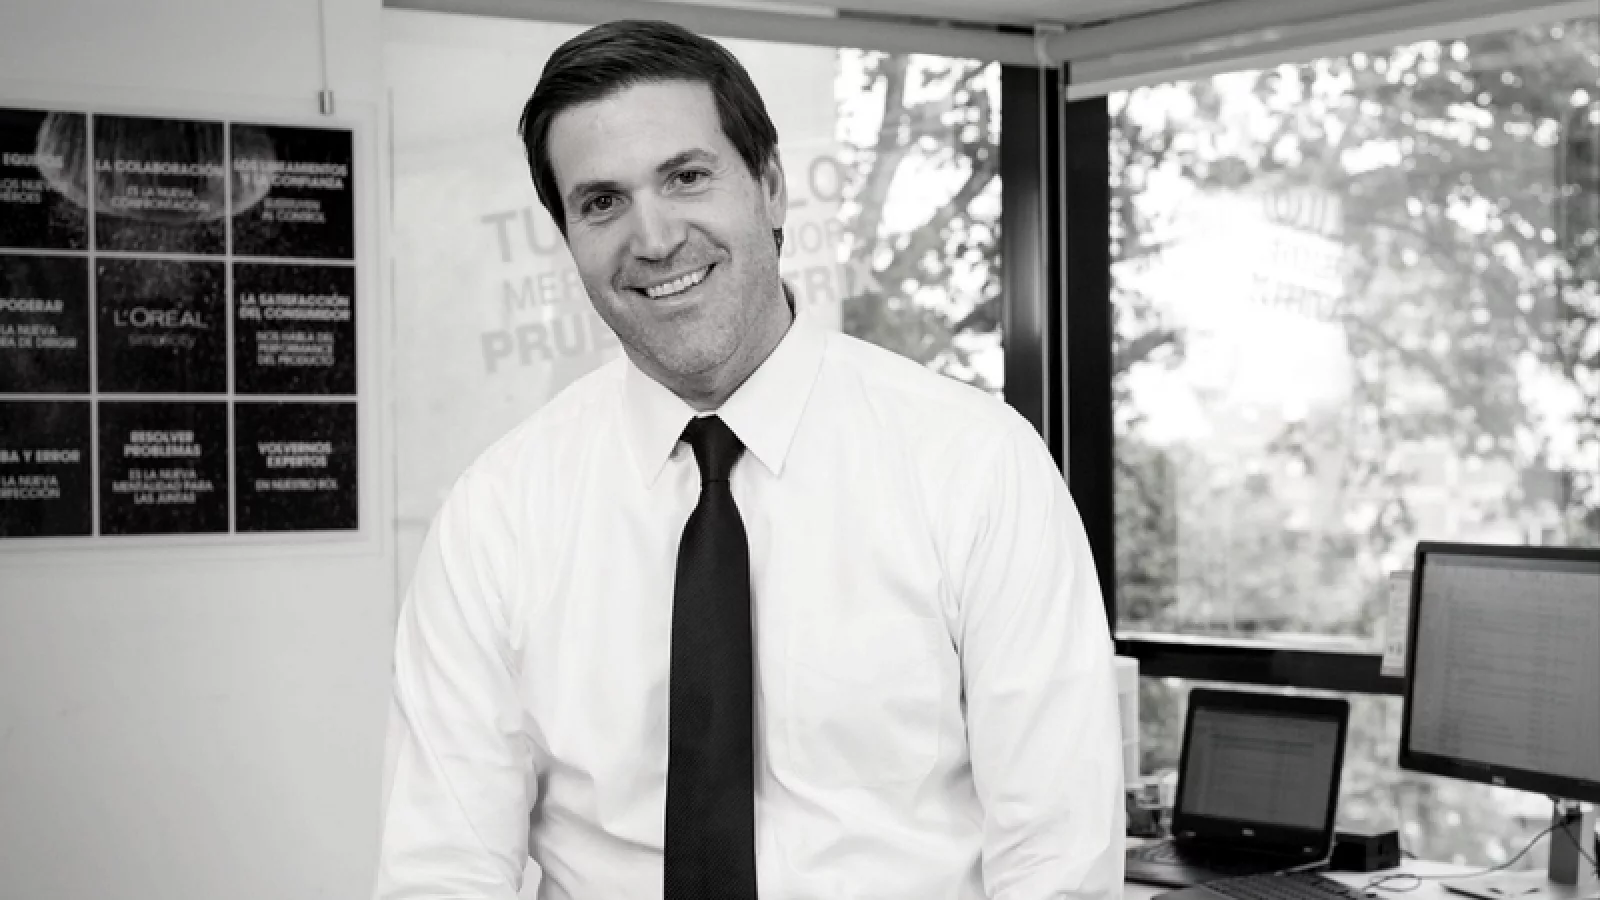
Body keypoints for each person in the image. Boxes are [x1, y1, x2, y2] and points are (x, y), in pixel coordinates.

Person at [372, 18, 1123, 900]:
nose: (654, 239)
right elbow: (442, 868)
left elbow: (1057, 860)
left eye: (687, 177)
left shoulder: (976, 466)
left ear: (770, 187)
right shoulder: (497, 515)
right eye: (602, 202)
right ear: (568, 236)